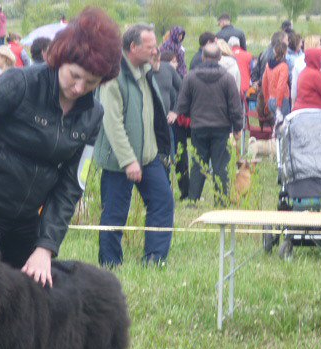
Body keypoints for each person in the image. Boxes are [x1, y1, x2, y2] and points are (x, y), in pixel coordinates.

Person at [0, 8, 121, 286]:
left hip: (26, 222)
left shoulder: (93, 116)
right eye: (75, 75)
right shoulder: (19, 84)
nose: (79, 87)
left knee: (23, 310)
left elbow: (71, 185)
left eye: (91, 82)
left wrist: (45, 248)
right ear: (61, 58)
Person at [95, 24, 173, 267]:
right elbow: (112, 123)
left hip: (149, 158)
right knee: (114, 215)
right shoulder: (112, 78)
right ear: (133, 47)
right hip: (119, 161)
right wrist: (128, 160)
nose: (155, 50)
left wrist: (154, 64)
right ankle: (110, 264)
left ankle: (154, 260)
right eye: (150, 47)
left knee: (163, 201)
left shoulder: (146, 70)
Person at [176, 43, 243, 203]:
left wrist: (192, 114)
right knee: (221, 165)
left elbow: (182, 106)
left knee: (198, 163)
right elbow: (235, 106)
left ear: (203, 57)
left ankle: (193, 198)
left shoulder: (190, 77)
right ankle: (221, 199)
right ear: (220, 58)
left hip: (198, 126)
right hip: (221, 127)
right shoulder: (227, 78)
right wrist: (238, 127)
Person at [151, 50, 187, 199]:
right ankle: (156, 191)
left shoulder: (168, 69)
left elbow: (183, 89)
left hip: (166, 124)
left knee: (165, 158)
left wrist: (175, 111)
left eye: (156, 58)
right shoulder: (141, 71)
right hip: (147, 124)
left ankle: (165, 191)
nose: (155, 62)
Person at [262, 41, 290, 120]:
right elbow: (281, 86)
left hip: (271, 99)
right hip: (281, 100)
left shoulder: (268, 65)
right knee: (283, 127)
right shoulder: (283, 66)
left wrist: (267, 100)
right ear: (285, 52)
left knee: (276, 125)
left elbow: (264, 83)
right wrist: (279, 105)